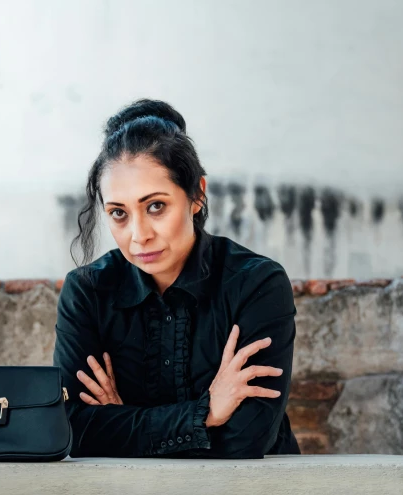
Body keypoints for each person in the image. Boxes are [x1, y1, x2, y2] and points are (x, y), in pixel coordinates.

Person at [53, 99, 301, 458]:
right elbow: (71, 430)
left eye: (155, 206)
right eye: (119, 213)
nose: (139, 235)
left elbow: (248, 438)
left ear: (196, 194)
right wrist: (208, 413)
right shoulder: (87, 293)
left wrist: (122, 422)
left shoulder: (257, 285)